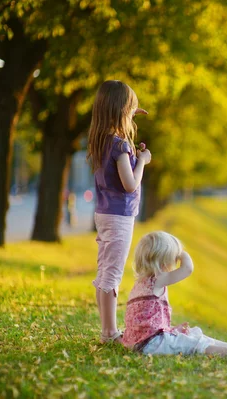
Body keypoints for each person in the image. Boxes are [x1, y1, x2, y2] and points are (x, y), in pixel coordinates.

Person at [122, 231, 227, 361]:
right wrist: (181, 253)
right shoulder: (157, 281)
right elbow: (188, 269)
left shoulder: (142, 282)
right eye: (172, 259)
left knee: (194, 335)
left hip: (144, 340)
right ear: (163, 261)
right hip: (150, 344)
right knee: (194, 343)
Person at [86, 80, 151, 343]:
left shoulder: (101, 140)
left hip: (104, 214)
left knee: (104, 272)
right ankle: (110, 333)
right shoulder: (120, 145)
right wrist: (143, 161)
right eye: (130, 108)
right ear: (121, 110)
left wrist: (127, 113)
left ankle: (107, 330)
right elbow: (130, 184)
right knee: (112, 274)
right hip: (119, 216)